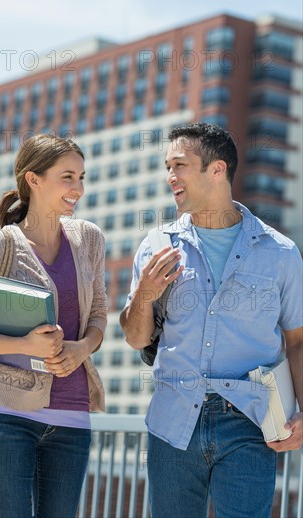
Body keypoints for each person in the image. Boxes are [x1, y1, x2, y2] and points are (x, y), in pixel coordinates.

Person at [120, 123, 302, 518]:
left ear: (217, 170)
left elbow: (297, 340)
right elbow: (136, 338)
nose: (171, 176)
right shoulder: (156, 246)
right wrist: (145, 296)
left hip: (249, 422)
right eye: (168, 166)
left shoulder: (281, 253)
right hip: (173, 420)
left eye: (180, 165)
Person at [0, 134, 107, 518]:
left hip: (72, 414)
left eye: (82, 177)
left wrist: (81, 348)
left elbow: (100, 314)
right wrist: (27, 345)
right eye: (67, 177)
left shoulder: (88, 239)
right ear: (33, 179)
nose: (78, 188)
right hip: (5, 413)